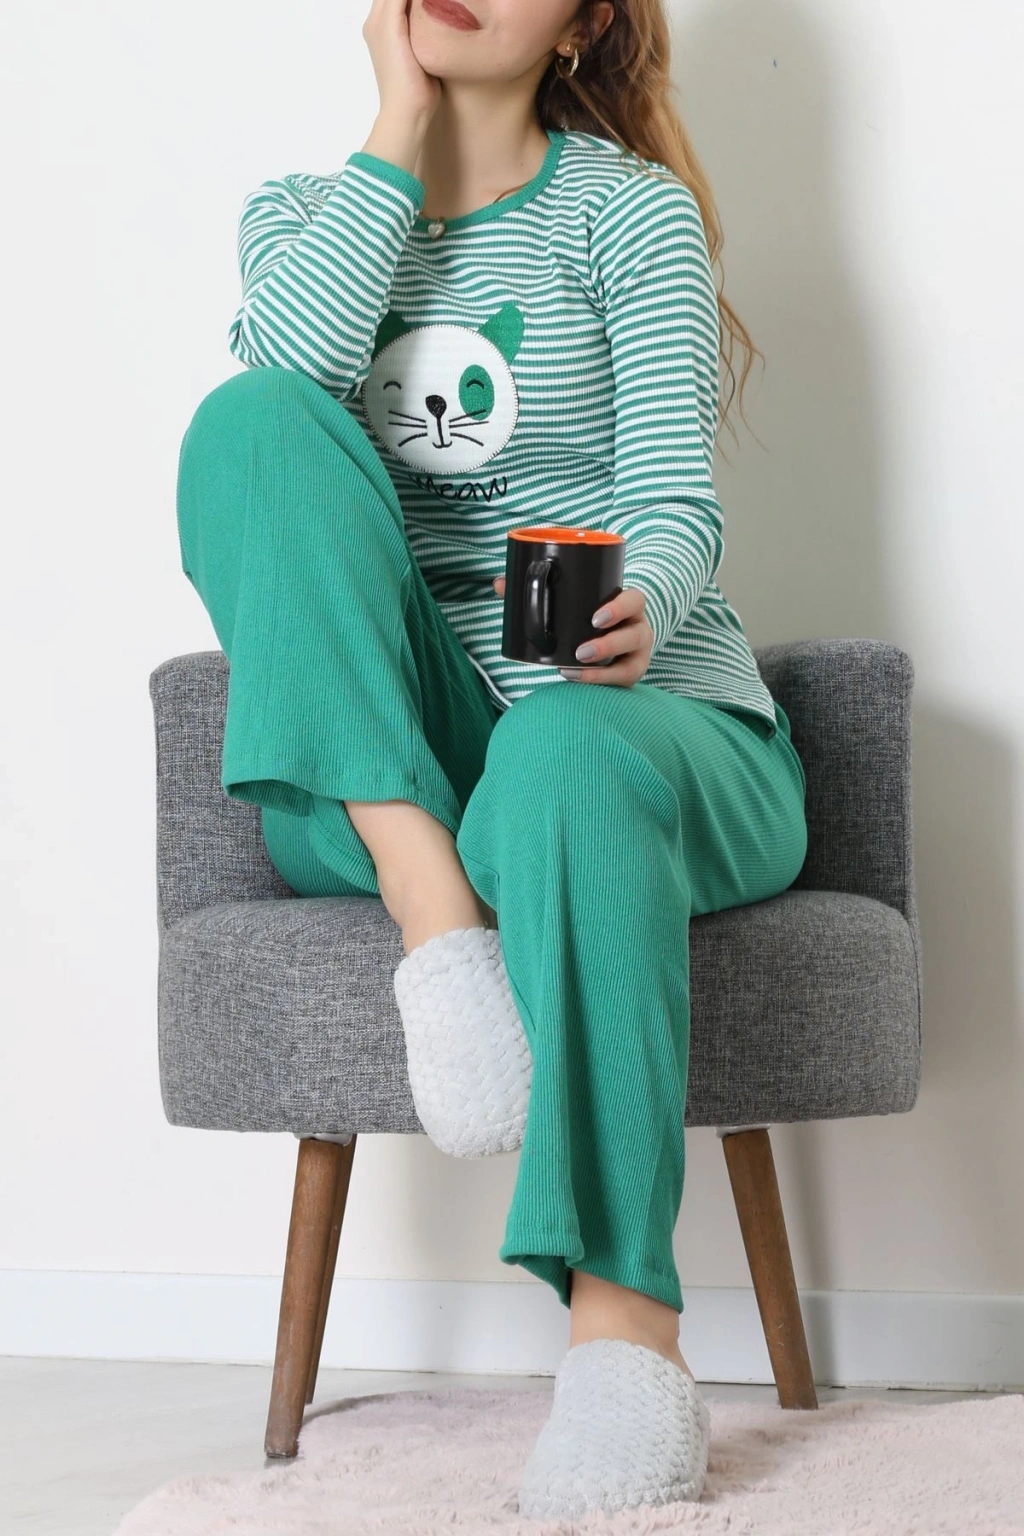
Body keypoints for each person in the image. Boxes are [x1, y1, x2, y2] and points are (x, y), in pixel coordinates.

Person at [175, 0, 809, 1518]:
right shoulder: (300, 215)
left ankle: (627, 1347)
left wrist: (649, 599)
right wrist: (397, 131)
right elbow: (293, 382)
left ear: (584, 22)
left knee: (567, 751)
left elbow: (675, 495)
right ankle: (438, 924)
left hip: (630, 731)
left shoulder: (626, 213)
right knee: (248, 419)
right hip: (398, 768)